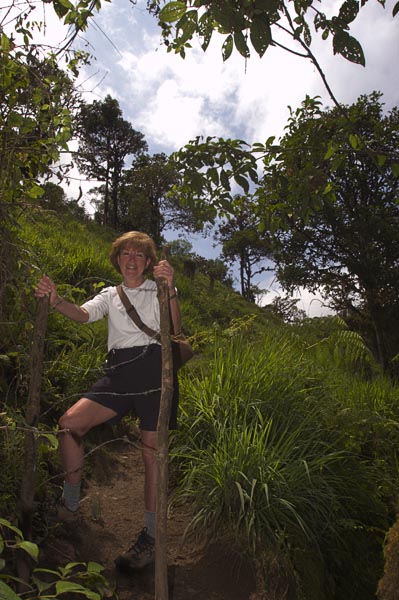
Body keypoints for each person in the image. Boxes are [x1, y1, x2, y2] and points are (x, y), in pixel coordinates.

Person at [34, 231, 181, 572]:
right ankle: (70, 505)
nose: (132, 260)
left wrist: (170, 287)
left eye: (139, 255)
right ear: (117, 260)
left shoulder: (158, 288)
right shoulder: (110, 295)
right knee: (70, 424)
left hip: (155, 371)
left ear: (147, 262)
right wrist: (55, 299)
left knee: (151, 456)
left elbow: (175, 327)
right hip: (118, 373)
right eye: (125, 254)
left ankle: (150, 537)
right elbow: (83, 315)